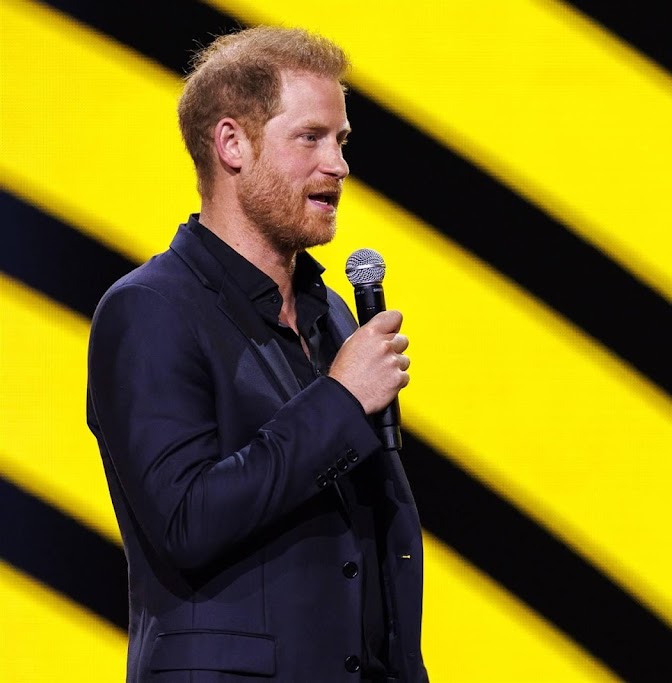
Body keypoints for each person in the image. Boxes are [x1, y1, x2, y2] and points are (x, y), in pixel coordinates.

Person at [85, 25, 428, 682]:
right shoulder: (149, 309)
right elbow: (186, 520)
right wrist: (340, 400)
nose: (338, 165)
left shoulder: (331, 313)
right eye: (311, 137)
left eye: (341, 140)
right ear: (232, 144)